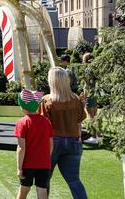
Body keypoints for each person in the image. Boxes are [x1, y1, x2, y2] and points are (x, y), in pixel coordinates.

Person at [38, 67, 88, 199]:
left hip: (52, 143)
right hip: (73, 142)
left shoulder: (46, 100)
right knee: (74, 181)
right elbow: (79, 122)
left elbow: (43, 127)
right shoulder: (75, 99)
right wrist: (78, 140)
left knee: (44, 181)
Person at [15, 90, 54, 199]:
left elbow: (21, 148)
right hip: (44, 164)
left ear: (23, 106)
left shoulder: (21, 123)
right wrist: (46, 158)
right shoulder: (46, 122)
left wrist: (19, 168)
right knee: (42, 190)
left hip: (28, 164)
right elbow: (51, 144)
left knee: (23, 190)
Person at [80, 53, 101, 145]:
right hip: (95, 93)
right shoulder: (95, 70)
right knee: (95, 116)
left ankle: (93, 137)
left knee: (91, 116)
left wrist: (84, 97)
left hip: (90, 94)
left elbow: (87, 85)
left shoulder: (87, 70)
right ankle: (99, 136)